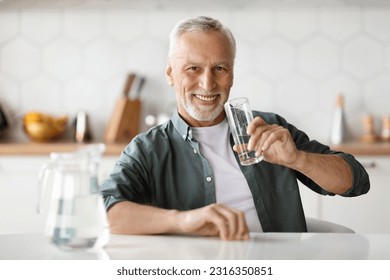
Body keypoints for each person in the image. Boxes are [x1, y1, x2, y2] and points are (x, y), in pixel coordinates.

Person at [100, 16, 370, 241]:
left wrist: (298, 159)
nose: (208, 84)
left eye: (220, 68)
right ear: (171, 74)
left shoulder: (270, 128)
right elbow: (103, 212)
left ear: (232, 72)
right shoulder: (148, 150)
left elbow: (356, 181)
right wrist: (184, 220)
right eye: (193, 68)